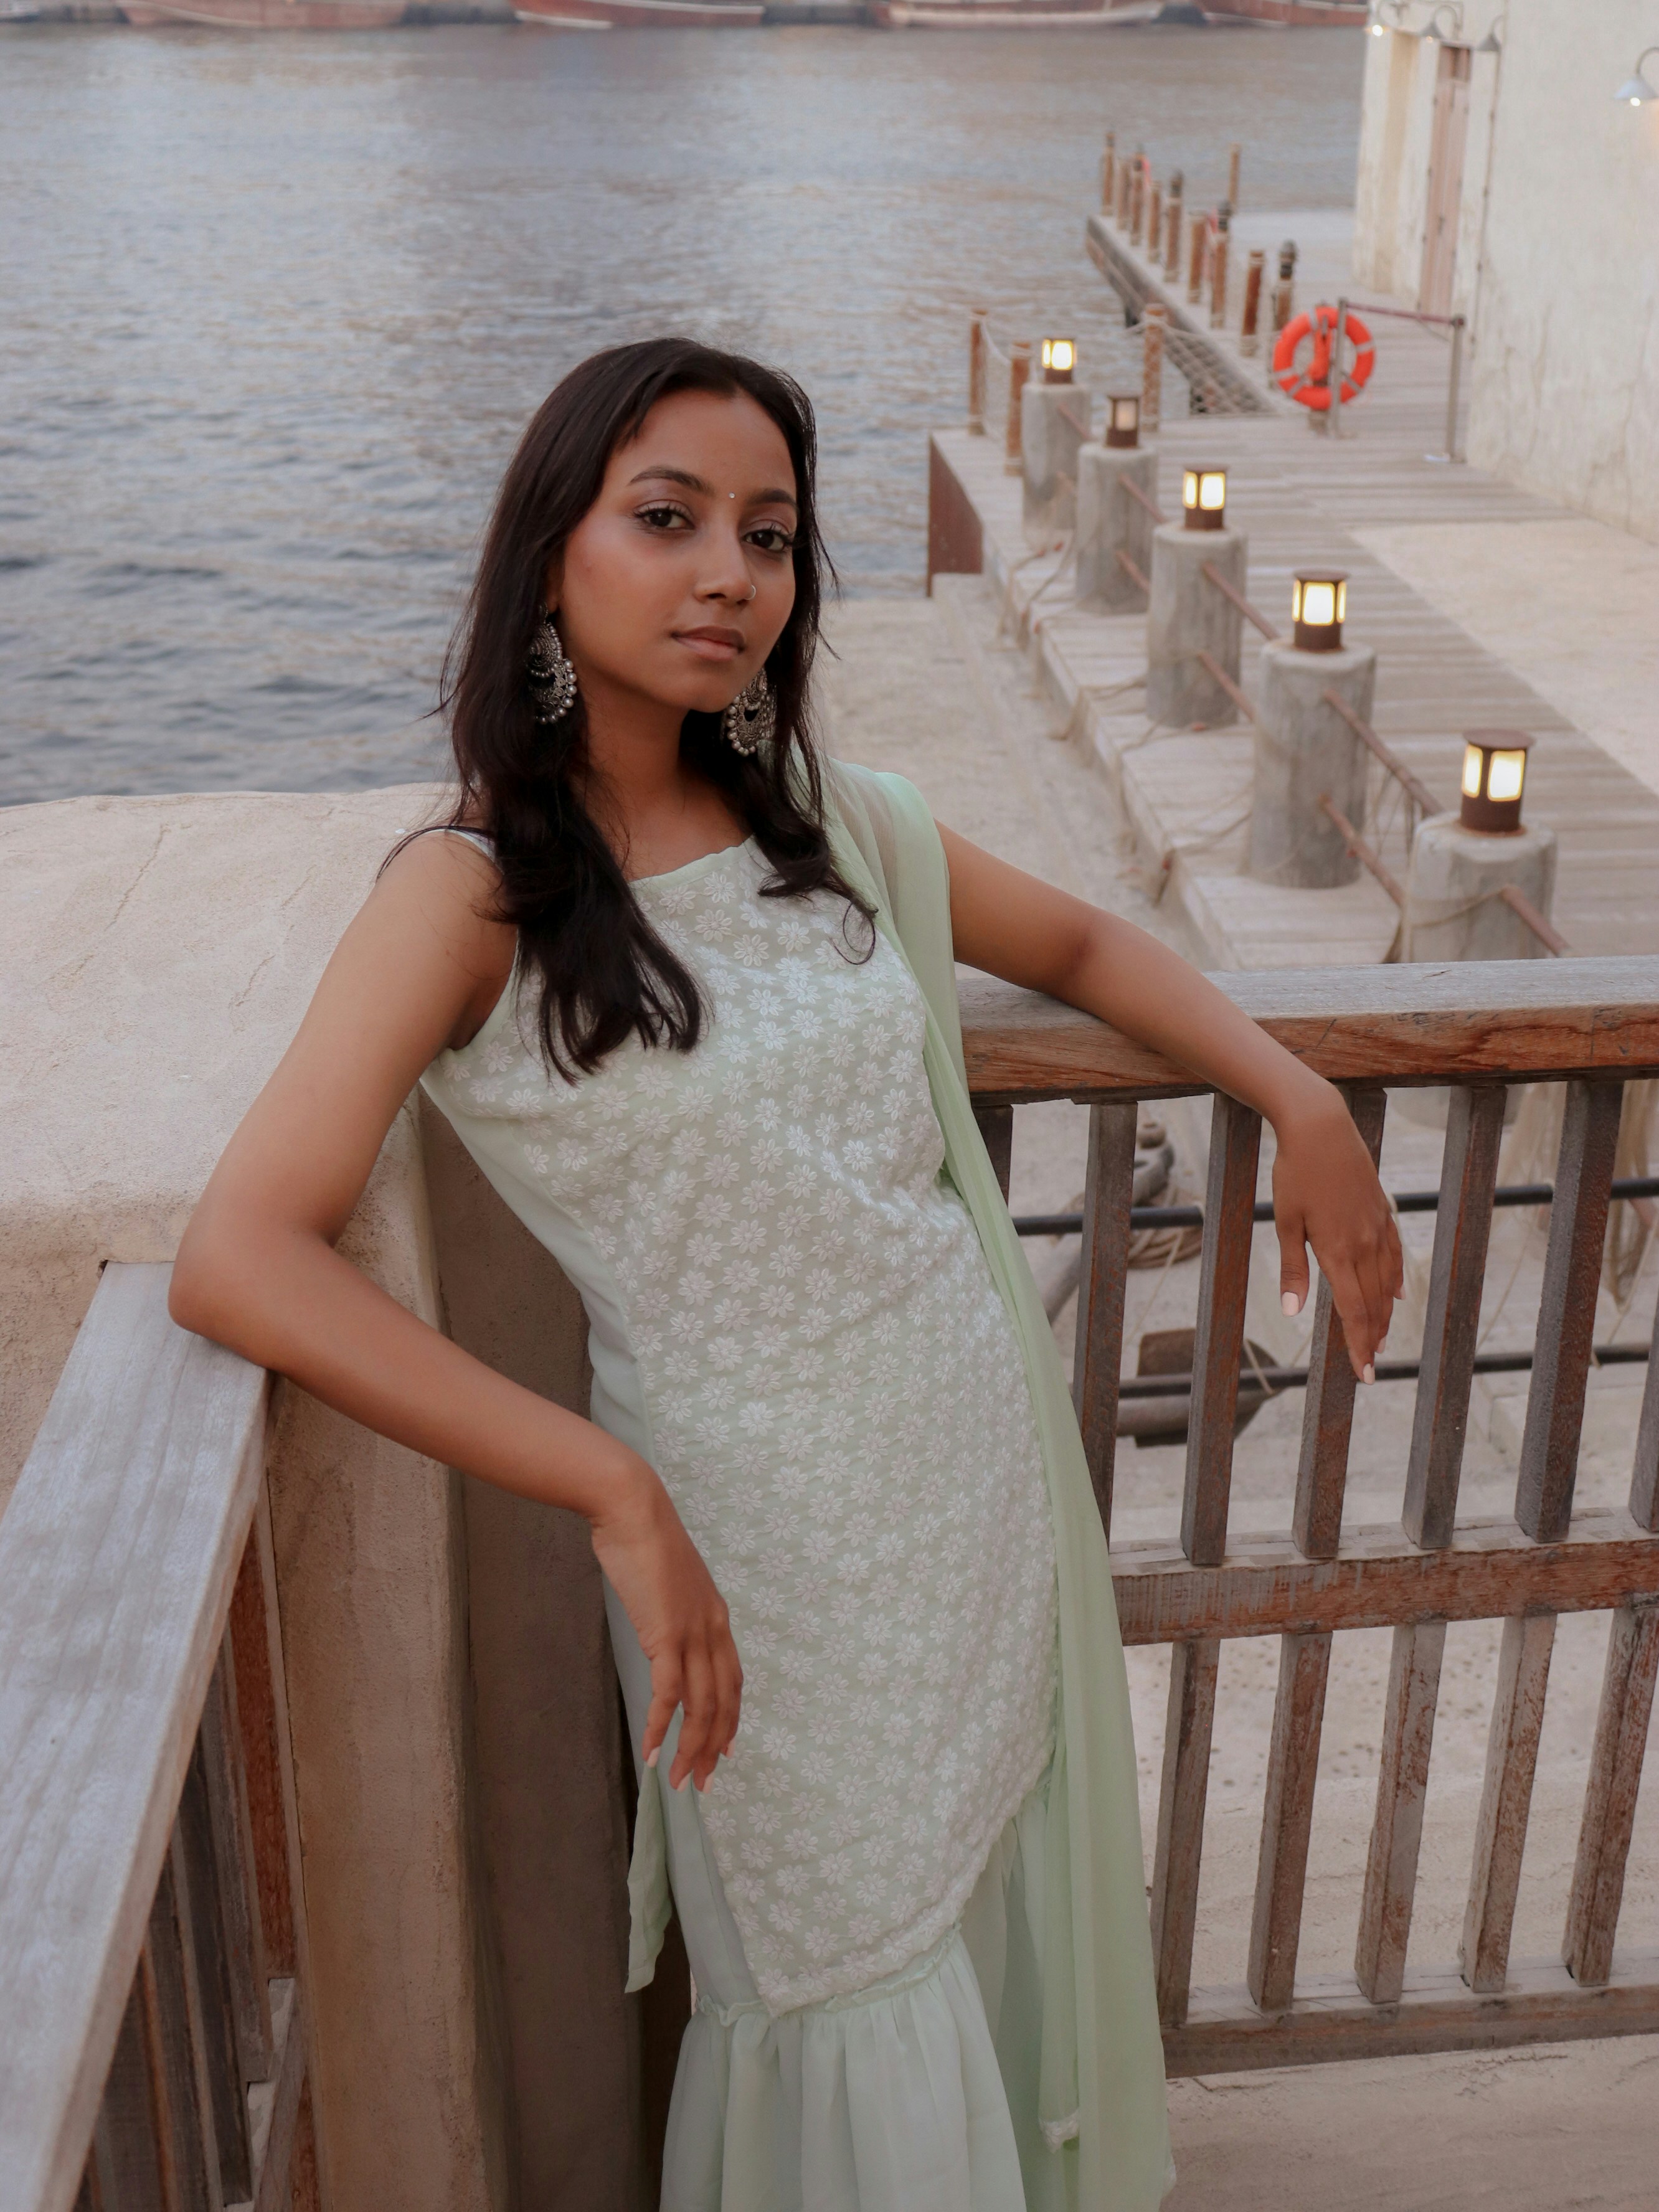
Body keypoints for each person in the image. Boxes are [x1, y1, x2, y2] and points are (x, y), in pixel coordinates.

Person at [171, 338, 1402, 2212]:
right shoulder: (474, 891)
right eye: (666, 520)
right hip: (752, 1553)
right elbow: (238, 1256)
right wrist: (609, 1484)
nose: (730, 574)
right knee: (832, 1968)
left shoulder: (826, 828)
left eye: (771, 535)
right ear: (551, 557)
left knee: (978, 1905)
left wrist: (1296, 1089)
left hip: (966, 1471)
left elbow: (1074, 932)